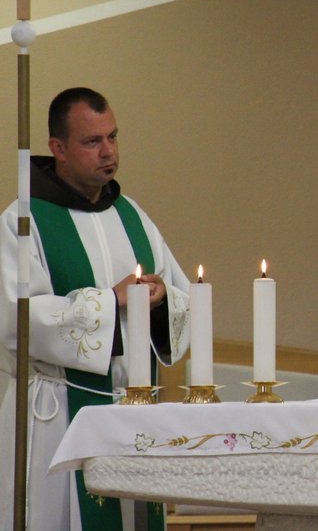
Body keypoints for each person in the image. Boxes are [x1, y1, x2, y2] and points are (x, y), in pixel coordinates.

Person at [0, 88, 190, 531]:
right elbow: (16, 317)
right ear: (58, 148)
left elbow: (182, 299)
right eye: (92, 142)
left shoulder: (133, 215)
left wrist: (161, 297)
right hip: (58, 414)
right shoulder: (23, 222)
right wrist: (110, 300)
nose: (108, 152)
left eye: (113, 137)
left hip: (133, 414)